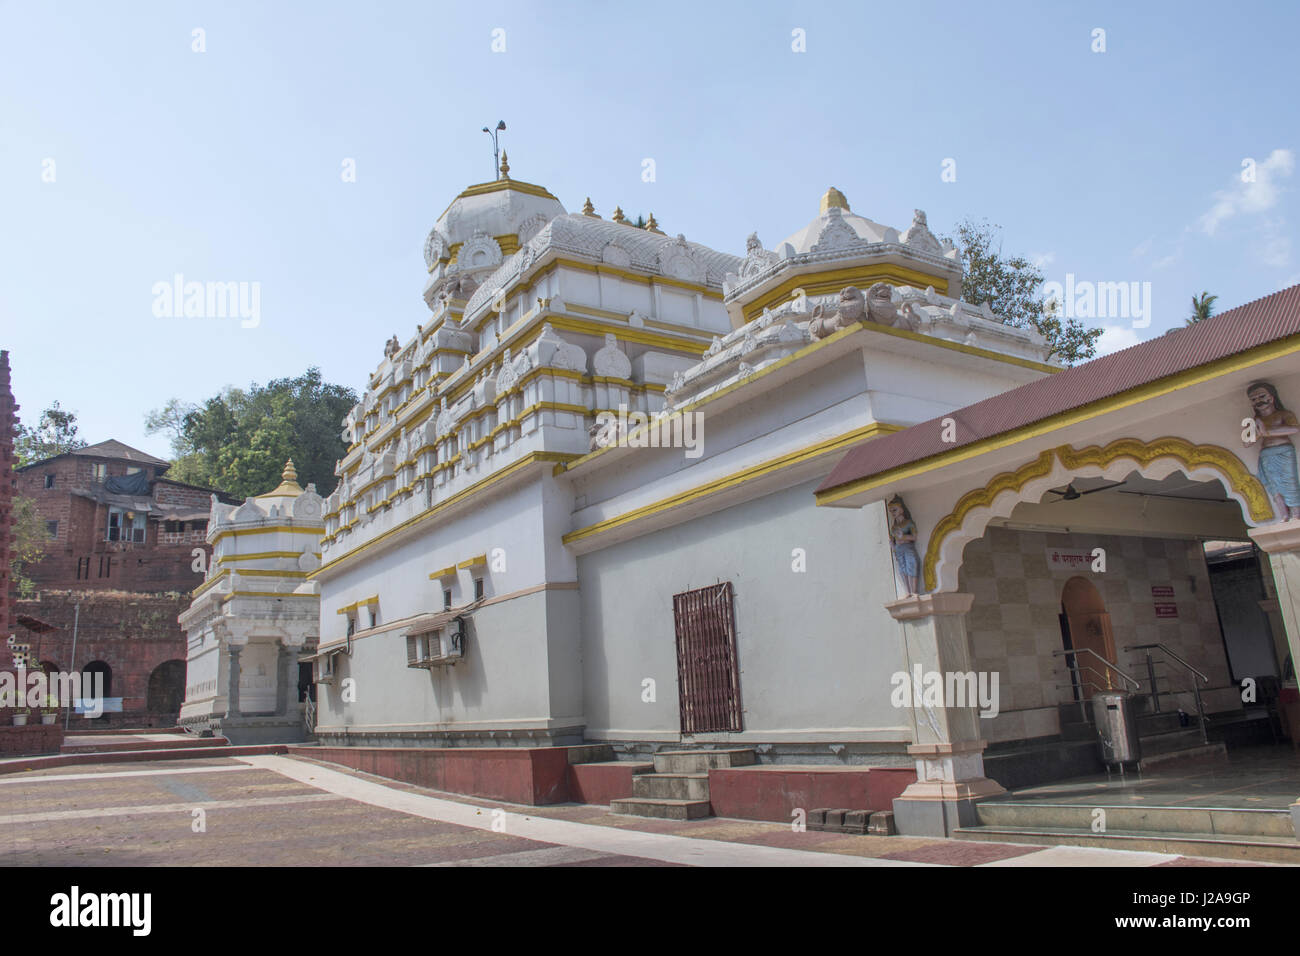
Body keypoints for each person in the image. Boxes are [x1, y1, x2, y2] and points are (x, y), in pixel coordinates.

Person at [1246, 381, 1300, 520]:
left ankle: (1296, 514)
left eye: (1262, 396)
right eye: (1254, 399)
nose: (1258, 401)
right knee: (1273, 486)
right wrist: (1258, 433)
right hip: (1266, 454)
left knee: (1290, 482)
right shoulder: (1256, 420)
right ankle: (1283, 515)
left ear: (1271, 397)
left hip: (1283, 452)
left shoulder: (1284, 414)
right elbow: (1246, 442)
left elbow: (1294, 428)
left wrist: (1267, 431)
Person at [887, 495, 921, 596]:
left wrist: (903, 537)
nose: (892, 513)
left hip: (907, 547)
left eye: (894, 510)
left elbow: (914, 537)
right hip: (898, 549)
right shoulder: (894, 527)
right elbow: (892, 540)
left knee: (912, 564)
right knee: (902, 569)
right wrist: (893, 548)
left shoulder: (909, 523)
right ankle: (908, 591)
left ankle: (914, 590)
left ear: (901, 509)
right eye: (891, 511)